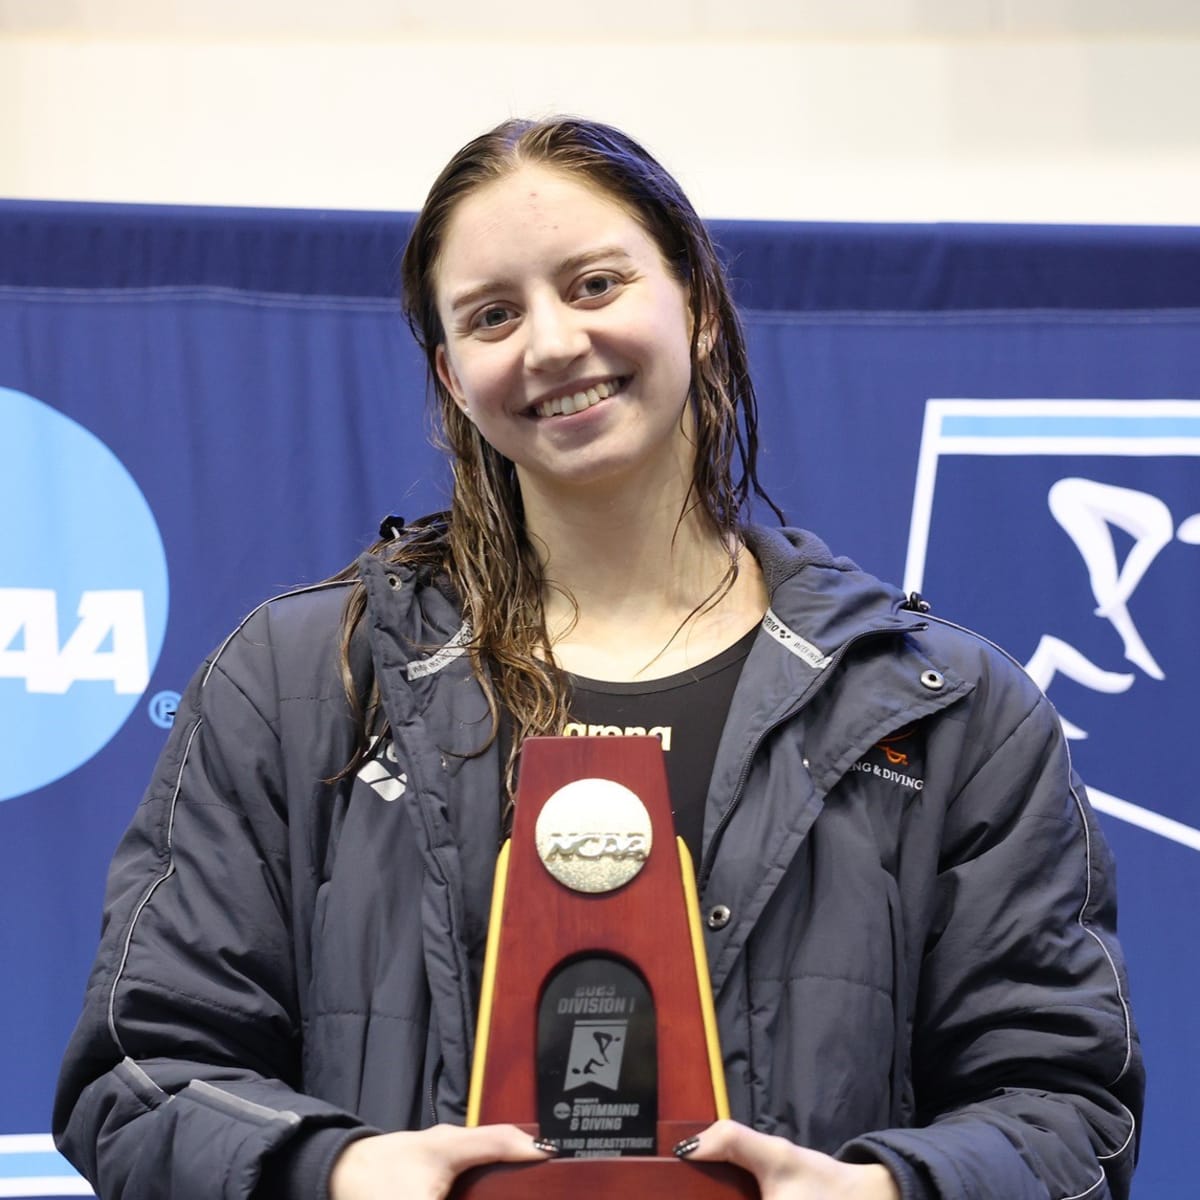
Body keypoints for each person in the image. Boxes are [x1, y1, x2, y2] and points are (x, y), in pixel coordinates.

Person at [54, 117, 1143, 1200]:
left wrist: (883, 1193)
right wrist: (336, 1172)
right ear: (450, 373)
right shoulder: (300, 684)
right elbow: (139, 1077)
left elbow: (1067, 1108)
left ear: (700, 308)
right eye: (492, 315)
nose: (552, 344)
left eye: (593, 285)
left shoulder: (942, 709)